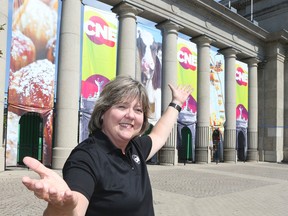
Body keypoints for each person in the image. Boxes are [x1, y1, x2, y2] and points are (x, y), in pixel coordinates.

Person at [22, 76, 192, 216]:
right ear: (103, 112)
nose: (131, 115)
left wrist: (176, 102)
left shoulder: (136, 148)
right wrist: (61, 207)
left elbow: (159, 134)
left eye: (138, 110)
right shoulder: (86, 156)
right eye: (122, 106)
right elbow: (76, 205)